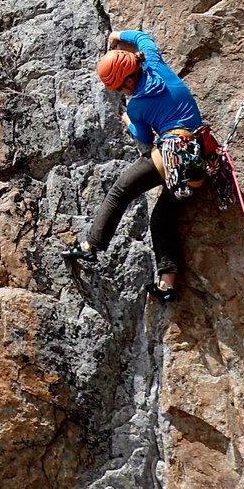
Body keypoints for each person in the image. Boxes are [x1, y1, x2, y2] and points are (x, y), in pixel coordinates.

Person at [63, 29, 214, 302]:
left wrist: (128, 122)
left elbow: (144, 141)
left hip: (174, 155)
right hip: (198, 161)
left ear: (130, 80)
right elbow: (144, 38)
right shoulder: (156, 64)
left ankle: (91, 245)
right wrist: (118, 35)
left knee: (122, 190)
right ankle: (167, 285)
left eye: (121, 87)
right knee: (162, 218)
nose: (122, 92)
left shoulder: (138, 107)